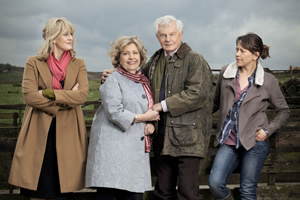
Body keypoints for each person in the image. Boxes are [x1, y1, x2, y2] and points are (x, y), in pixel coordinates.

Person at [102, 15, 213, 200]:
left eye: (172, 34)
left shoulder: (195, 59)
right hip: (161, 136)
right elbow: (136, 80)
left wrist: (161, 106)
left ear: (181, 34)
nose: (167, 39)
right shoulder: (155, 60)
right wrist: (113, 75)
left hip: (188, 138)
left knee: (187, 193)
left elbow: (198, 94)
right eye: (163, 35)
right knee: (163, 193)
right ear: (157, 37)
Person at [8, 17, 89, 200]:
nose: (71, 38)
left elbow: (82, 95)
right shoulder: (33, 62)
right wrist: (68, 97)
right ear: (53, 37)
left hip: (68, 134)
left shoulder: (79, 64)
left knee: (63, 187)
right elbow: (30, 97)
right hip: (39, 133)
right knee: (37, 188)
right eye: (66, 34)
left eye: (72, 34)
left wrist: (49, 93)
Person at [208, 33, 290, 200]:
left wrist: (268, 130)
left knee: (247, 190)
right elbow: (214, 104)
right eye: (236, 49)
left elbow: (284, 110)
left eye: (243, 51)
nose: (237, 54)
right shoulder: (226, 73)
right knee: (215, 183)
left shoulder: (269, 81)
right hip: (228, 141)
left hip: (254, 144)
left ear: (255, 55)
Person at [85, 35, 160, 200]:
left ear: (141, 56)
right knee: (110, 194)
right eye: (126, 53)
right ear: (118, 57)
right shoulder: (112, 79)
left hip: (133, 150)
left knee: (134, 195)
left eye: (135, 53)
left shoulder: (143, 81)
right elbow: (114, 111)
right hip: (113, 150)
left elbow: (145, 106)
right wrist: (143, 117)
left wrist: (150, 121)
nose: (131, 57)